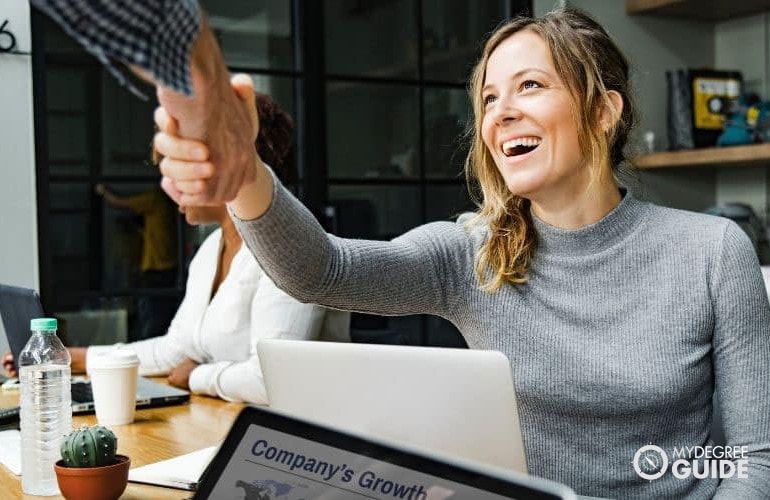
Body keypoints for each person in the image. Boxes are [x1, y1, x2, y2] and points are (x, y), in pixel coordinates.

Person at [28, 2, 770, 497]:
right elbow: (322, 269)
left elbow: (752, 461)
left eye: (531, 85)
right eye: (487, 97)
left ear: (604, 110)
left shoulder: (711, 253)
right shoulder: (470, 252)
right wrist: (246, 170)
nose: (500, 110)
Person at [4, 92, 350, 404]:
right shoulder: (211, 249)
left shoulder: (291, 246)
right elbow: (174, 352)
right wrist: (66, 358)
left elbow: (269, 380)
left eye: (180, 165)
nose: (168, 183)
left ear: (229, 165)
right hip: (228, 421)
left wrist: (197, 376)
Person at [94, 183, 179, 340]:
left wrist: (102, 191)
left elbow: (119, 202)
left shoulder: (156, 199)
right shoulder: (164, 208)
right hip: (164, 267)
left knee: (154, 318)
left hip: (157, 269)